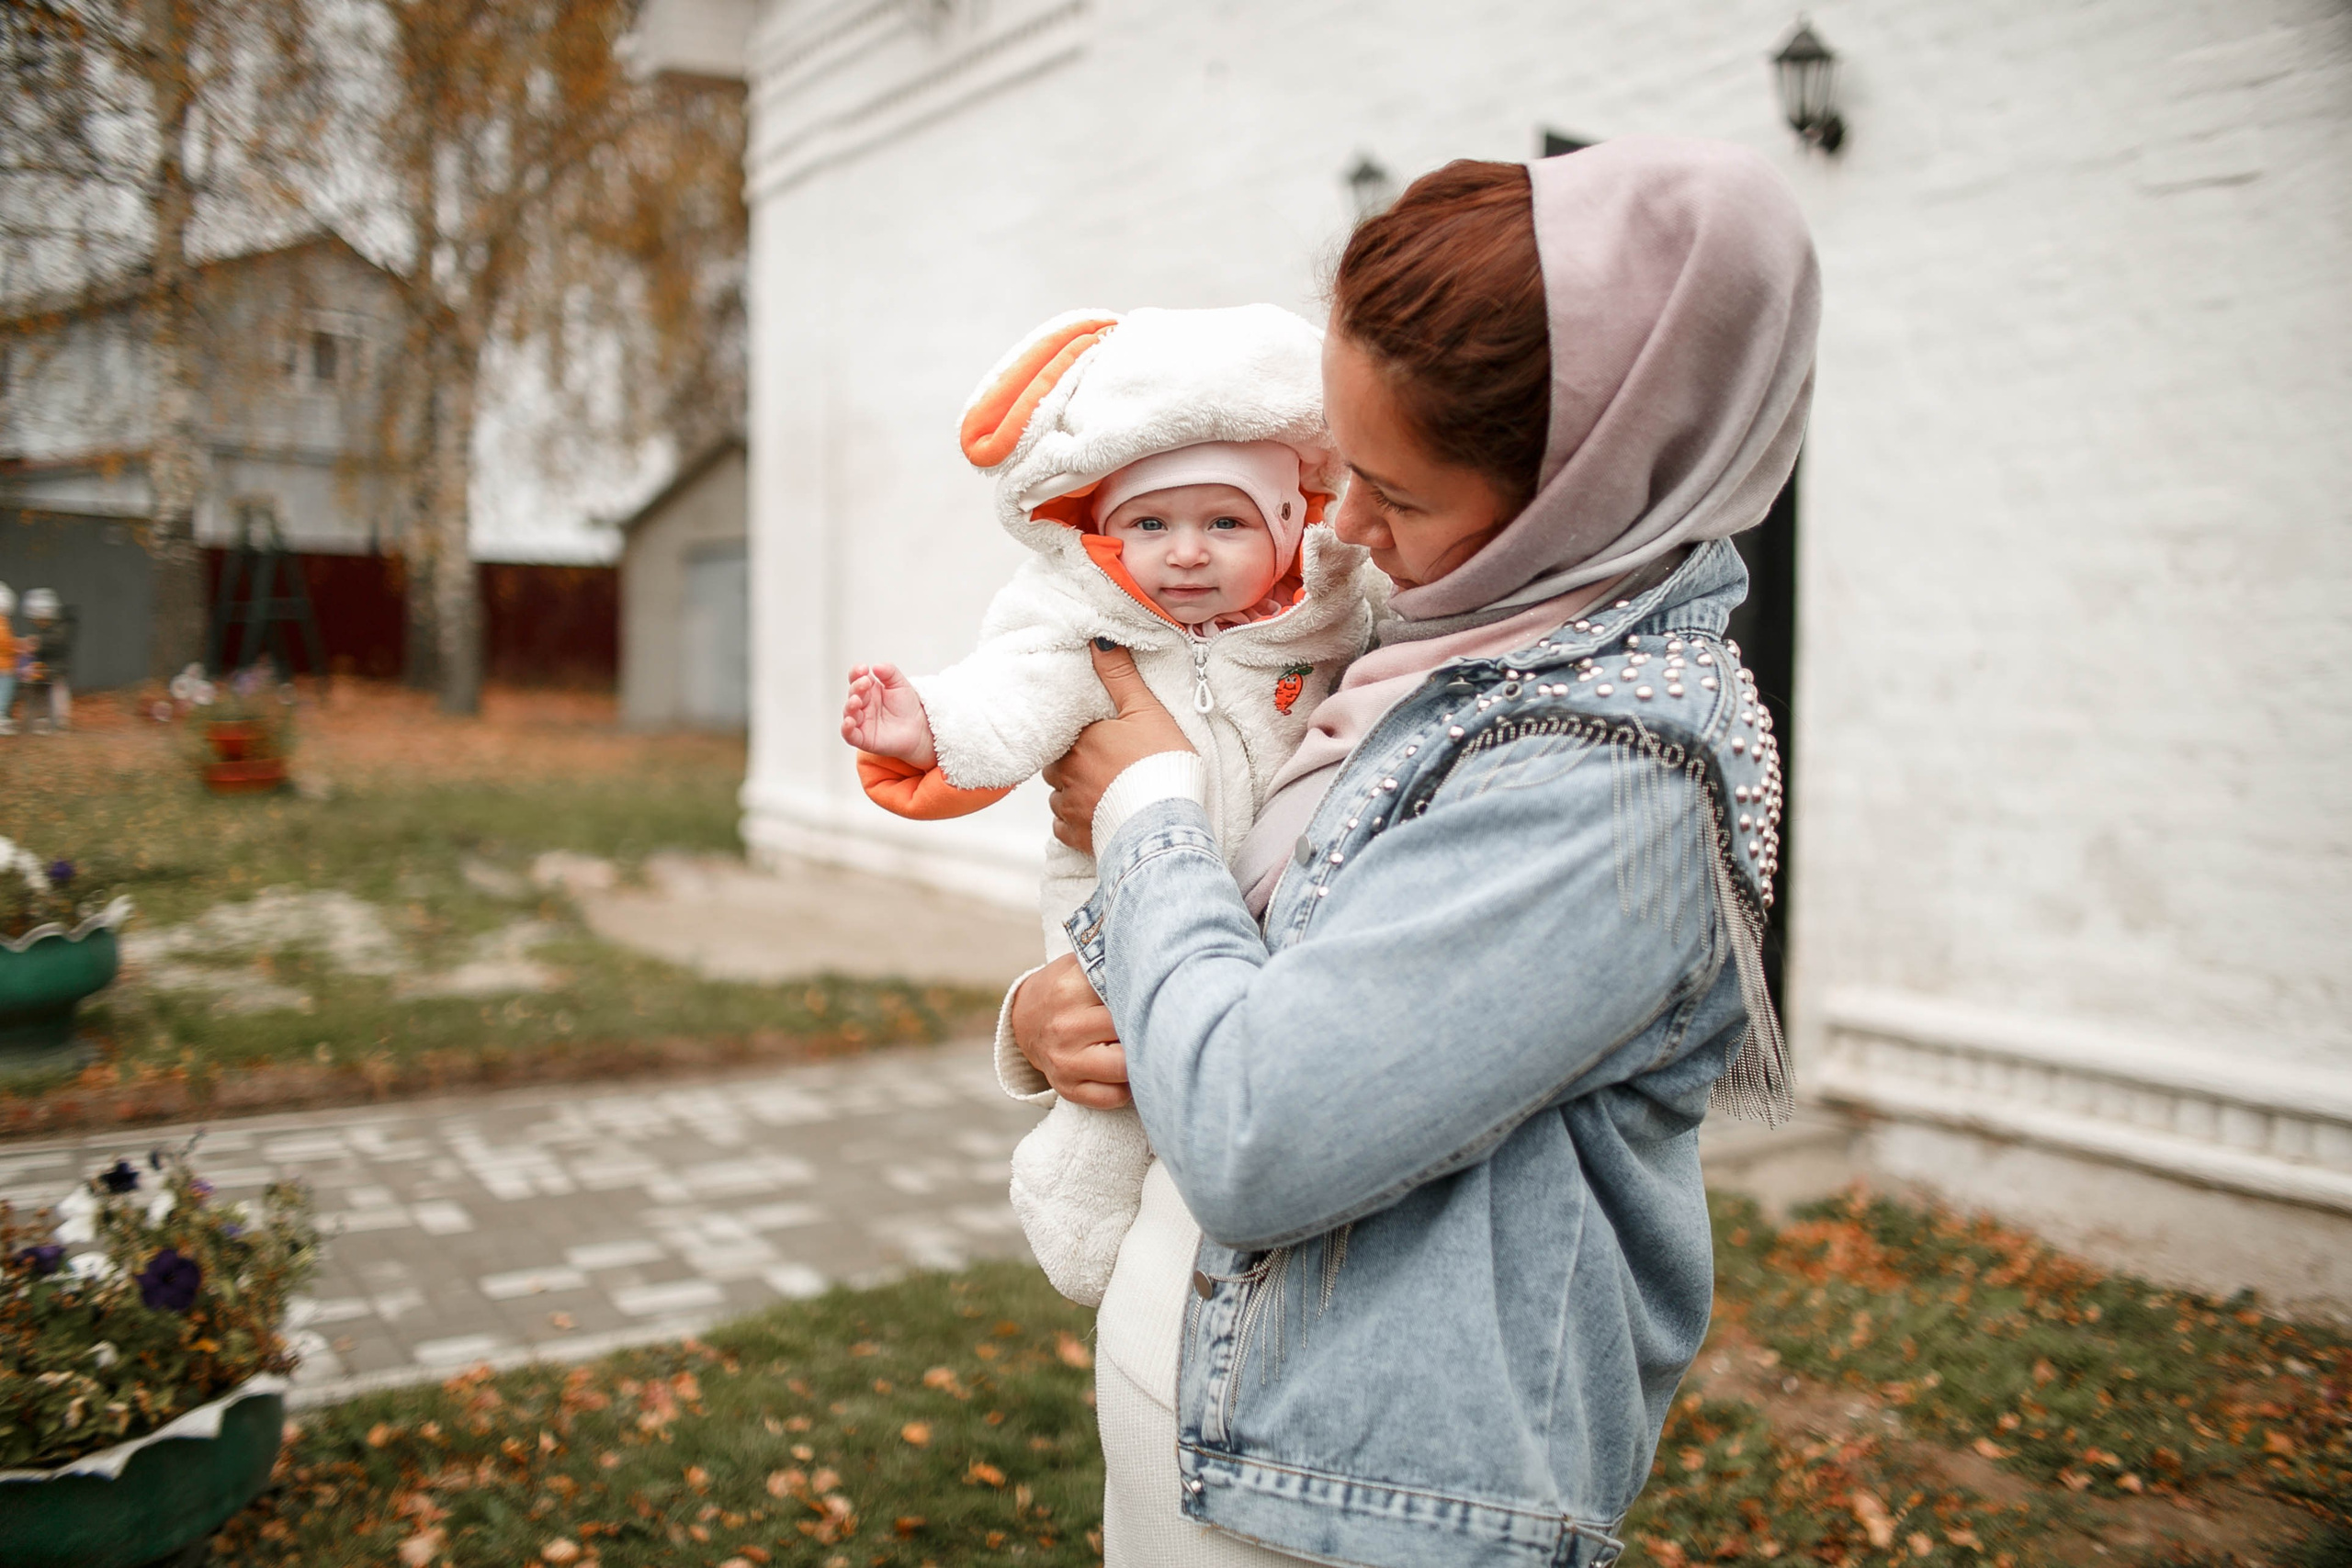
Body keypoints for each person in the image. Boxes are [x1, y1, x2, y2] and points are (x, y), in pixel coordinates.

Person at [1007, 138, 1819, 1567]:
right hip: (1205, 1418)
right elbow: (1248, 964)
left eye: (1403, 492)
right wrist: (1044, 1014)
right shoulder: (1428, 648)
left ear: (1589, 485)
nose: (1347, 528)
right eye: (1341, 466)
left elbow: (1258, 1130)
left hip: (1354, 1510)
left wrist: (1146, 807)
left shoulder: (1612, 772)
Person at [840, 304, 1384, 1305]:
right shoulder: (1088, 632)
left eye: (1225, 522)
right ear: (1104, 531)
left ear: (1288, 523)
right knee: (1117, 1055)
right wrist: (926, 726)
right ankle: (1078, 1186)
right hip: (1113, 898)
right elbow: (1008, 694)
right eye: (1150, 524)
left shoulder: (1329, 619)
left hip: (1280, 918)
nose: (1186, 553)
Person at [20, 589, 73, 734]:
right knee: (40, 692)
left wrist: (37, 642)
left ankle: (61, 721)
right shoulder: (46, 629)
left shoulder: (61, 627)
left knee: (58, 693)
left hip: (58, 669)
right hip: (45, 668)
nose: (37, 623)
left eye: (38, 620)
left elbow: (55, 641)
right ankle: (43, 719)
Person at [0, 583, 17, 736]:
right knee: (4, 692)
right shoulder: (2, 624)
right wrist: (17, 647)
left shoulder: (4, 623)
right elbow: (5, 643)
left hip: (5, 665)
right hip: (4, 667)